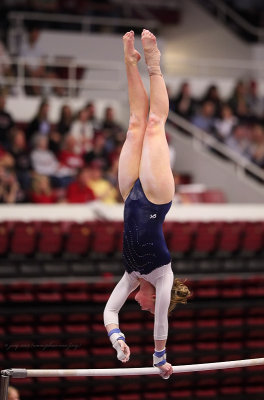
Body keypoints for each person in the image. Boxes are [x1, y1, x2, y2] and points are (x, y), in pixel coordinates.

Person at [103, 29, 190, 380]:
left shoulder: (131, 276)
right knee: (155, 125)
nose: (136, 306)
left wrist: (117, 339)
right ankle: (153, 65)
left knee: (135, 125)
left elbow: (110, 311)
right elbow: (162, 322)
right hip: (155, 198)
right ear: (154, 300)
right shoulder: (162, 275)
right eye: (144, 308)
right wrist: (158, 358)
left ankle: (130, 62)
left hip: (130, 195)